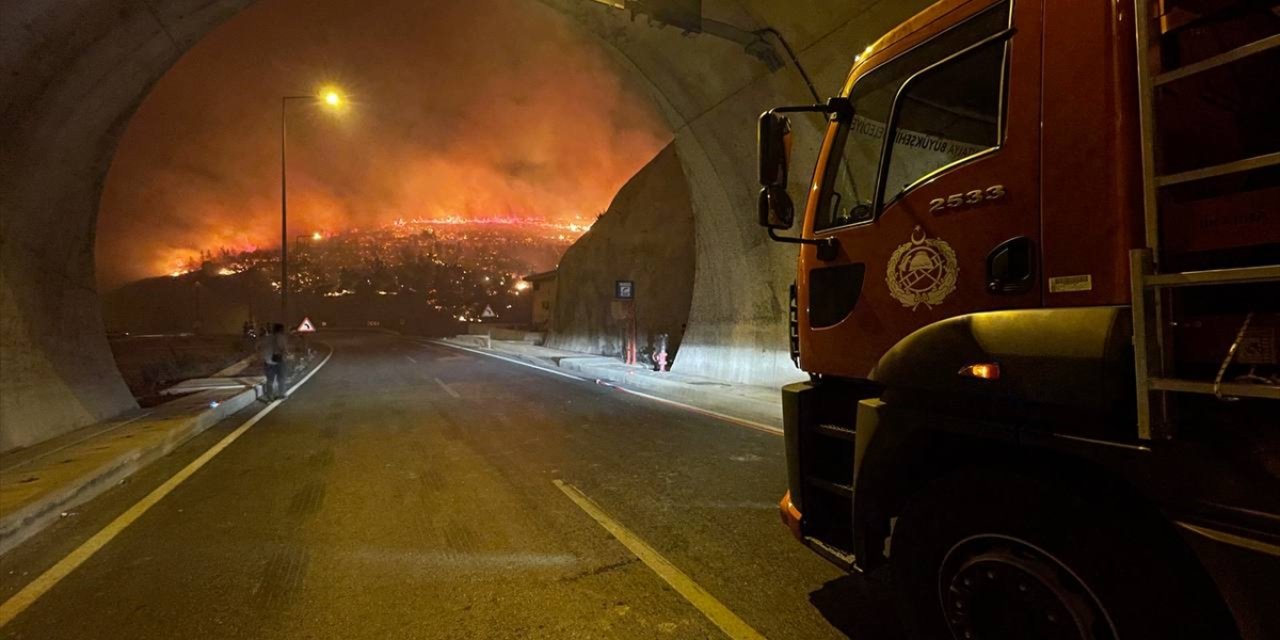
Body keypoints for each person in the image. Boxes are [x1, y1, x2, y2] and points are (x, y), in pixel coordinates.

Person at [258, 323, 289, 401]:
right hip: (280, 362)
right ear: (281, 330)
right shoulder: (282, 338)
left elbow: (257, 346)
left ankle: (269, 395)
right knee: (281, 379)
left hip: (268, 362)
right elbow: (284, 349)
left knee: (270, 380)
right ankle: (281, 394)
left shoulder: (266, 338)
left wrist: (263, 355)